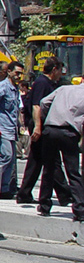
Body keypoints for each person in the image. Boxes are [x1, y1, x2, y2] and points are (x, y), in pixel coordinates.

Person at [15, 58, 71, 205]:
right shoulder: (42, 83)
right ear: (54, 70)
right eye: (60, 70)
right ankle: (65, 194)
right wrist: (38, 127)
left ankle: (24, 193)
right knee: (53, 160)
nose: (60, 74)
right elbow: (36, 106)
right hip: (41, 124)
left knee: (36, 160)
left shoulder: (48, 83)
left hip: (44, 125)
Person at [36, 81, 84, 220]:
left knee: (48, 169)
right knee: (73, 171)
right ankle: (79, 208)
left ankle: (44, 205)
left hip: (51, 128)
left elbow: (44, 102)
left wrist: (48, 116)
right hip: (69, 132)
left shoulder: (64, 88)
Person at [0, 60, 25, 200]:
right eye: (16, 73)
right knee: (6, 156)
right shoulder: (2, 87)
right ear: (9, 72)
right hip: (2, 128)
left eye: (21, 74)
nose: (19, 76)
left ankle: (4, 189)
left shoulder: (15, 88)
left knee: (10, 161)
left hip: (11, 129)